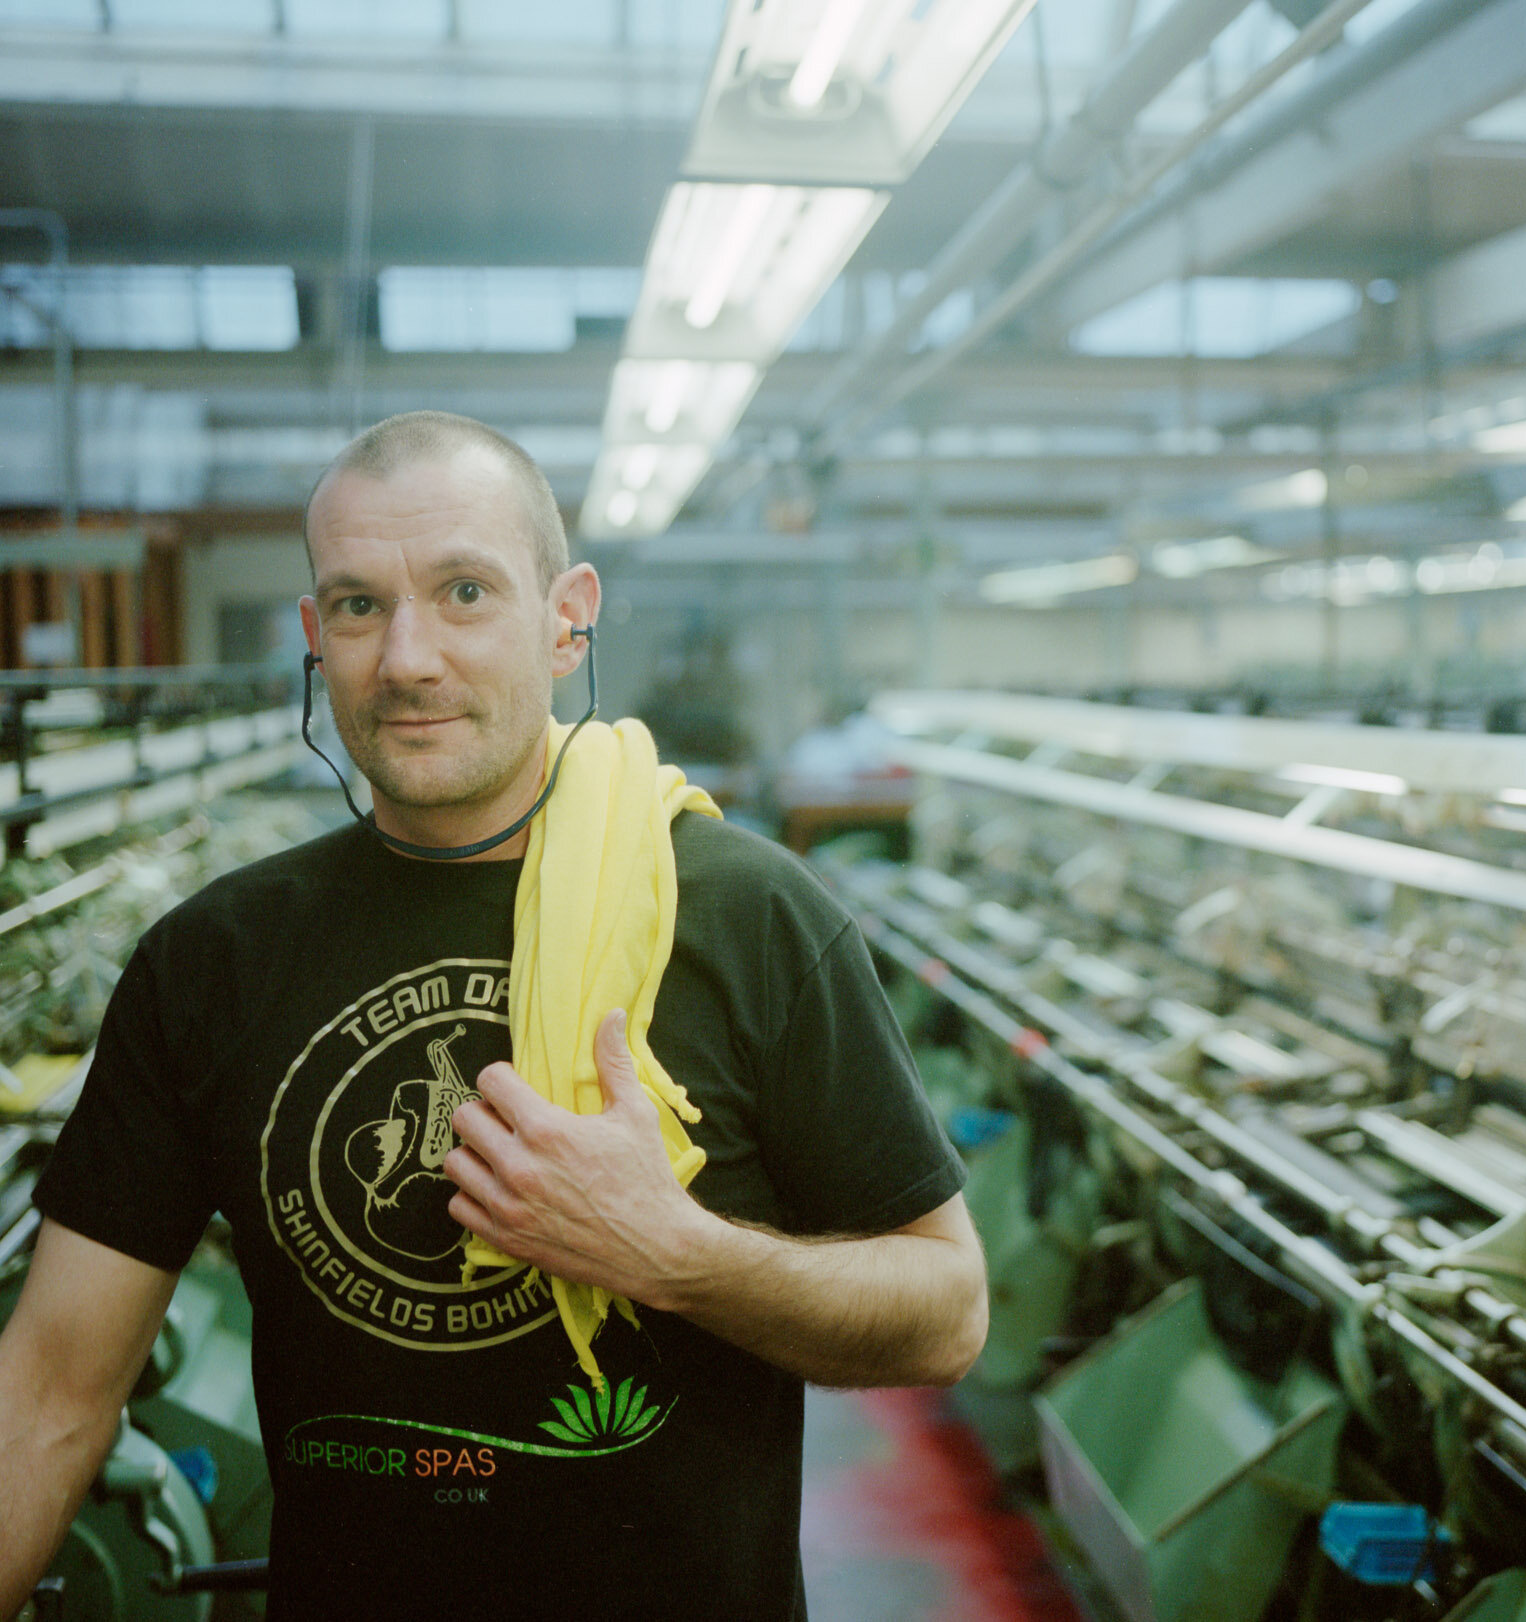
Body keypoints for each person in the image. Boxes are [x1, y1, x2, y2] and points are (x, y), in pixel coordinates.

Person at [0, 412, 986, 1621]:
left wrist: (678, 1255)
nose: (406, 656)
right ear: (314, 632)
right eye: (358, 605)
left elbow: (945, 1308)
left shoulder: (743, 912)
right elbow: (49, 1390)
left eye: (463, 590)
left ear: (567, 615)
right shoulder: (209, 962)